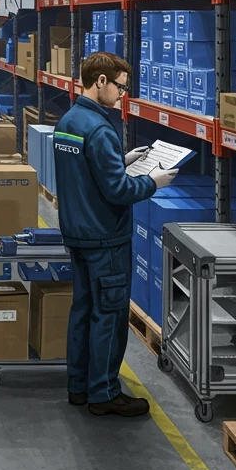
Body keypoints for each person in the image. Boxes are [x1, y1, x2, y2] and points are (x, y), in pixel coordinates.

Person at [52, 52, 178, 418]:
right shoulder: (100, 128)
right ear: (101, 82)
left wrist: (120, 160)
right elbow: (118, 192)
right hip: (104, 237)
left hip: (76, 233)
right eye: (121, 86)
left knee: (83, 310)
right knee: (108, 316)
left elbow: (85, 171)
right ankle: (104, 393)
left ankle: (79, 387)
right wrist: (152, 182)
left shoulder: (68, 122)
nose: (123, 94)